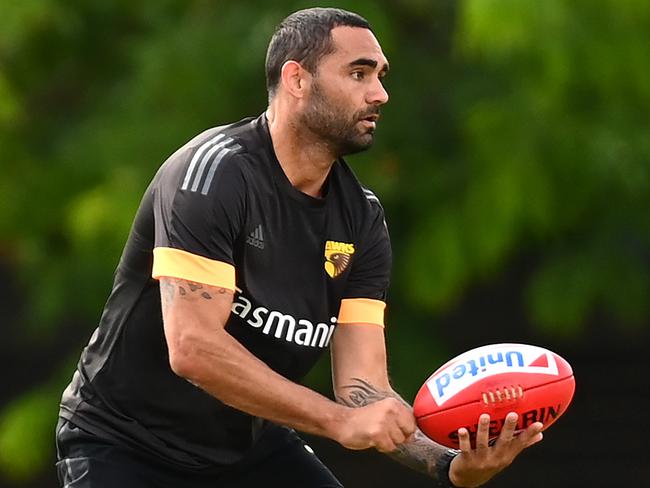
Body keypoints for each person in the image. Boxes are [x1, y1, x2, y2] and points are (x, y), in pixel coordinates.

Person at [56, 7, 543, 488]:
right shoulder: (212, 175)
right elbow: (193, 348)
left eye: (380, 75)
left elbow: (361, 390)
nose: (380, 94)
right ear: (296, 79)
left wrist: (449, 464)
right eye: (358, 73)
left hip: (246, 451)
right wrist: (335, 422)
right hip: (124, 446)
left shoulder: (362, 218)